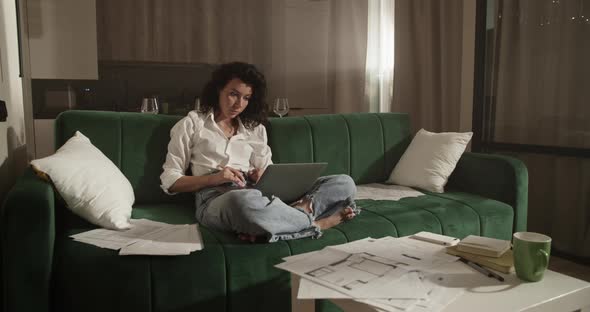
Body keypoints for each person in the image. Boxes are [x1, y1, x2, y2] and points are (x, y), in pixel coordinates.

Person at [160, 62, 359, 242]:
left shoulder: (255, 129)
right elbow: (171, 181)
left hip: (258, 193)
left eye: (246, 98)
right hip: (217, 198)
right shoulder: (192, 124)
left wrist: (261, 175)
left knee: (344, 183)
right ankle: (314, 222)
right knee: (241, 202)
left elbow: (267, 171)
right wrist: (215, 179)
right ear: (218, 90)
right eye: (233, 94)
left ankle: (296, 213)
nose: (239, 104)